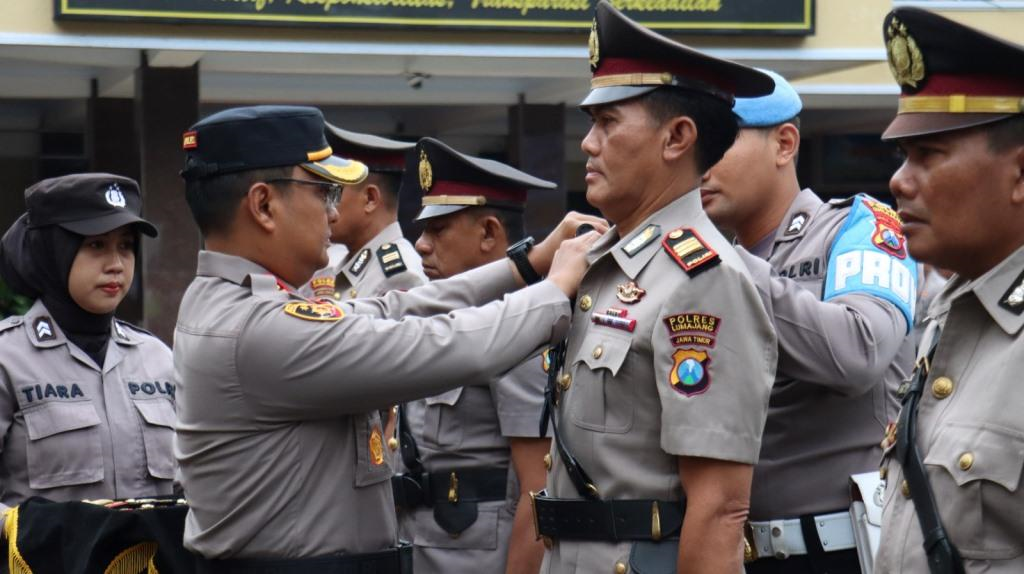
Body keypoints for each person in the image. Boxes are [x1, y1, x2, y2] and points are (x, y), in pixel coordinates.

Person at [174, 105, 604, 571]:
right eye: (322, 191)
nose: (333, 211)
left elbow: (390, 309)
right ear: (263, 205)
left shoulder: (236, 306)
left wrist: (526, 265)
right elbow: (443, 344)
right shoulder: (258, 328)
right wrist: (555, 289)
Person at [536, 2, 778, 573]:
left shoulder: (703, 279)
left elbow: (719, 509)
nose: (588, 143)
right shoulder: (607, 263)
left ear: (677, 137)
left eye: (608, 123)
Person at [699, 71, 917, 572]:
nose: (700, 166)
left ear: (784, 143)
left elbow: (858, 351)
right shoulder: (706, 265)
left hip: (841, 551)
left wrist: (720, 260)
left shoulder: (859, 227)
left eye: (719, 142)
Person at [874, 7, 1024, 574]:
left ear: (1020, 175)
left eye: (928, 155)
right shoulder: (948, 312)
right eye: (904, 156)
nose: (899, 180)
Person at [394, 137, 555, 574]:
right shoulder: (448, 317)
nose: (421, 245)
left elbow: (539, 490)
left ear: (488, 233)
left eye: (439, 230)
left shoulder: (519, 327)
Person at [0, 173, 174, 513]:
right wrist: (29, 529)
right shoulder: (8, 358)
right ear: (54, 251)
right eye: (96, 245)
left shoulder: (157, 359)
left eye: (125, 246)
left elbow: (191, 485)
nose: (116, 265)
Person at [300, 124, 425, 301]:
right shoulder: (337, 262)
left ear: (370, 199)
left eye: (333, 193)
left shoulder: (399, 276)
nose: (327, 208)